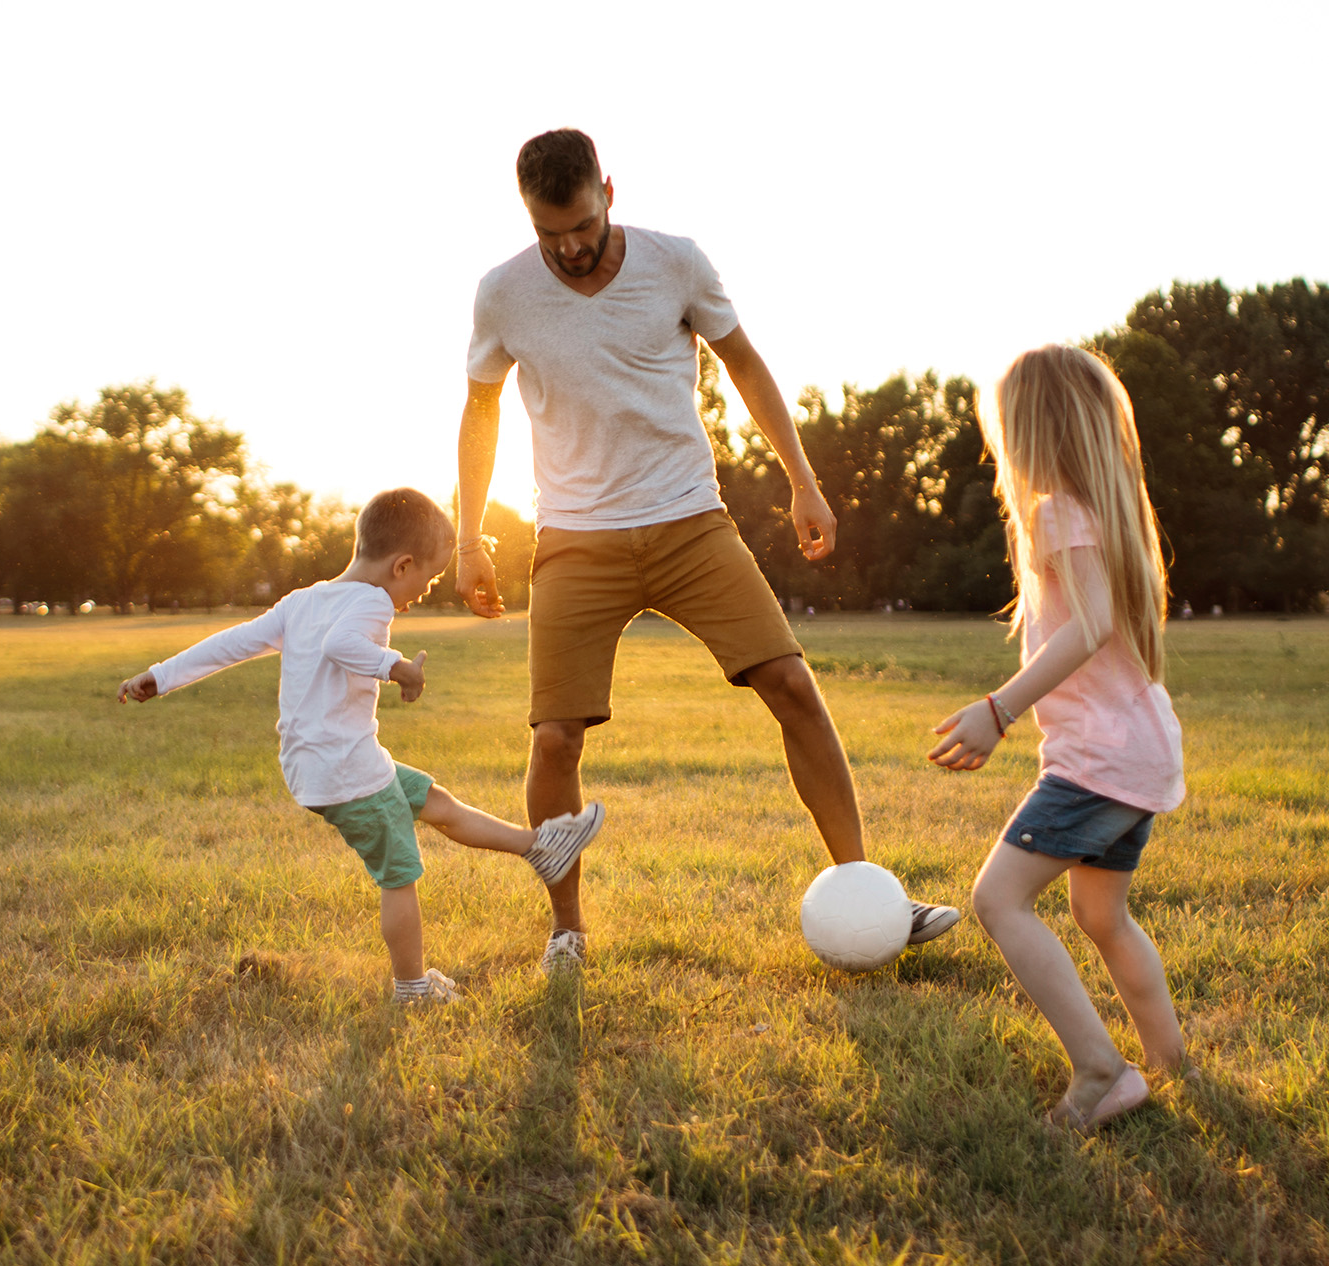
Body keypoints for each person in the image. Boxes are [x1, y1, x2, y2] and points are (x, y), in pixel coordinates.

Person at [456, 128, 959, 972]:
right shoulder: (503, 293)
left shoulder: (677, 263)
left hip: (690, 519)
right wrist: (467, 534)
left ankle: (871, 891)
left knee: (793, 684)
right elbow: (480, 410)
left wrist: (802, 478)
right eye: (552, 235)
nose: (571, 248)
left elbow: (746, 365)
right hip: (576, 539)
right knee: (554, 740)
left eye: (582, 224)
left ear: (608, 191)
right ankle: (567, 931)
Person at [117, 488, 604, 1004]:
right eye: (428, 578)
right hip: (348, 771)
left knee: (432, 800)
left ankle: (540, 849)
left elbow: (234, 643)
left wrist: (162, 675)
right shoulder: (371, 600)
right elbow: (341, 646)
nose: (423, 591)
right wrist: (396, 667)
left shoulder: (302, 601)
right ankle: (412, 988)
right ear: (402, 565)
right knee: (399, 873)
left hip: (322, 766)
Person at [928, 345, 1190, 1131]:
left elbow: (1089, 628)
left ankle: (1103, 1073)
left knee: (998, 899)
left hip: (1100, 762)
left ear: (1030, 433)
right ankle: (1173, 1064)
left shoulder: (1057, 513)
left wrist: (998, 710)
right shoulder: (1105, 514)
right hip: (1139, 753)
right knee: (1102, 918)